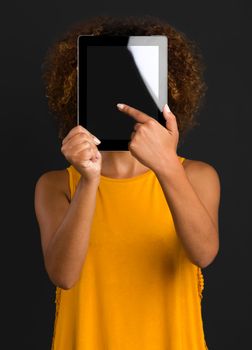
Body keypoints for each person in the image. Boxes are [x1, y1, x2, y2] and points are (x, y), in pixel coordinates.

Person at [34, 14, 220, 350]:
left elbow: (204, 253)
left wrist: (167, 166)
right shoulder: (56, 185)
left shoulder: (195, 176)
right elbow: (64, 276)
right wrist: (89, 180)